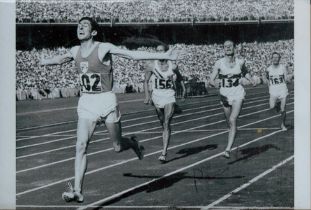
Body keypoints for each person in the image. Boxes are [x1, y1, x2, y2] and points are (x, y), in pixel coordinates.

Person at [40, 17, 180, 203]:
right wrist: (44, 61)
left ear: (94, 32)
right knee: (80, 145)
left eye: (85, 26)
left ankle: (132, 143)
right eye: (78, 25)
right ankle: (78, 190)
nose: (80, 28)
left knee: (117, 146)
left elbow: (130, 55)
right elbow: (59, 60)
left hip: (106, 101)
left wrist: (163, 56)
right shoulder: (75, 50)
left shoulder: (103, 47)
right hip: (87, 102)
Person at [210, 40, 255, 159]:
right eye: (225, 46)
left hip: (238, 93)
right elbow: (211, 80)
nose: (228, 48)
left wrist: (251, 80)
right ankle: (232, 132)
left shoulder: (240, 62)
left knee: (233, 119)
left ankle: (228, 149)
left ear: (234, 48)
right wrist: (215, 84)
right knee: (229, 123)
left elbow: (245, 72)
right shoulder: (219, 63)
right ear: (223, 49)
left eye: (230, 46)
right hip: (224, 95)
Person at [144, 44, 186, 162]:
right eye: (157, 51)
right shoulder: (152, 65)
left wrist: (183, 90)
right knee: (162, 122)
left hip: (169, 96)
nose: (159, 53)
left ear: (166, 52)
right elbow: (146, 81)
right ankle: (174, 110)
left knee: (167, 122)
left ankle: (163, 152)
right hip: (157, 97)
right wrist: (147, 96)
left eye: (161, 51)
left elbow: (180, 77)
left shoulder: (172, 65)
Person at [263, 52, 288, 131]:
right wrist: (267, 82)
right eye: (273, 57)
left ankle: (283, 125)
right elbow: (265, 76)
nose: (275, 59)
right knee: (272, 107)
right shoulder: (268, 69)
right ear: (271, 58)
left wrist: (288, 79)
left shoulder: (283, 67)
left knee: (283, 109)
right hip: (273, 90)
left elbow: (286, 78)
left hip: (282, 89)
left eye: (277, 57)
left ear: (279, 59)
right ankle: (278, 105)